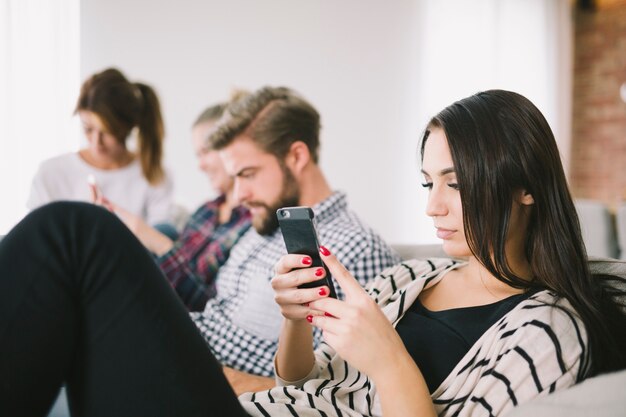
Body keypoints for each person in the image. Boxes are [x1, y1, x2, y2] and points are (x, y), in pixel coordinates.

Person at [2, 88, 625, 417]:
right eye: (428, 183)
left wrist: (385, 357)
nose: (433, 206)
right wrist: (297, 323)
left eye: (456, 184)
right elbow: (297, 380)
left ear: (524, 187)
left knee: (75, 236)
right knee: (73, 246)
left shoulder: (549, 328)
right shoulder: (418, 276)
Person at [103, 100, 252, 311]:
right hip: (152, 300)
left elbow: (208, 306)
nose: (200, 165)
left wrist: (160, 245)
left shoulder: (252, 224)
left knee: (159, 233)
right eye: (197, 155)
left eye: (206, 152)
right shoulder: (206, 211)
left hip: (184, 319)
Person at [26, 67, 173, 225]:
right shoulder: (51, 173)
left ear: (128, 127)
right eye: (88, 129)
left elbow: (161, 245)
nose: (96, 142)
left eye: (107, 131)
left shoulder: (153, 175)